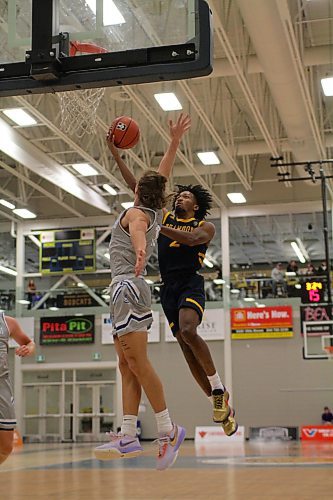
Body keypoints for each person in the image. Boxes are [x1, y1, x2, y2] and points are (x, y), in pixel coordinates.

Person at [110, 114, 237, 437]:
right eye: (177, 195)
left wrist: (153, 225)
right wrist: (117, 154)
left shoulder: (201, 226)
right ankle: (217, 400)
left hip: (190, 282)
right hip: (167, 288)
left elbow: (191, 240)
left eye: (186, 197)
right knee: (183, 342)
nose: (180, 197)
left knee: (189, 330)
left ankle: (219, 388)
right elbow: (137, 189)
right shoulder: (157, 213)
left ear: (196, 206)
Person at [95, 117, 190, 470]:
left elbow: (136, 228)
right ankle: (129, 433)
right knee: (126, 363)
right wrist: (173, 141)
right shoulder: (152, 207)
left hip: (126, 286)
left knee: (138, 362)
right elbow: (156, 177)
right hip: (128, 288)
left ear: (137, 191)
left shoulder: (137, 213)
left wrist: (138, 250)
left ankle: (168, 428)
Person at [0, 313, 35, 465]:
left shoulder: (7, 322)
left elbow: (29, 343)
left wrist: (28, 348)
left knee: (6, 447)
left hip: (2, 385)